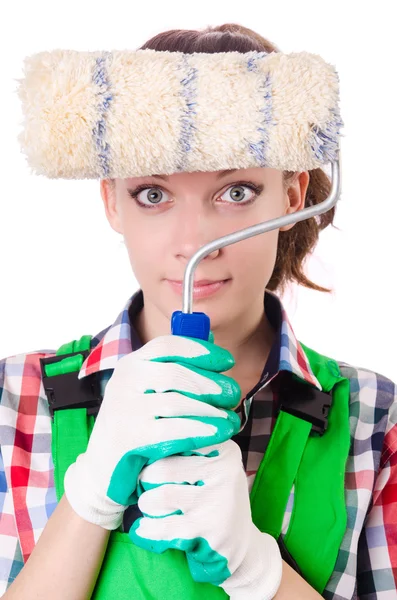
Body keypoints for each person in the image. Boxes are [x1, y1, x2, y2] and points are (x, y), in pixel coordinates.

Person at [1, 23, 396, 600]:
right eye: (153, 195)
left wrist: (258, 569)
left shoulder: (376, 421)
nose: (193, 241)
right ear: (112, 199)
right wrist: (88, 497)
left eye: (235, 192)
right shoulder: (15, 399)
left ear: (290, 197)